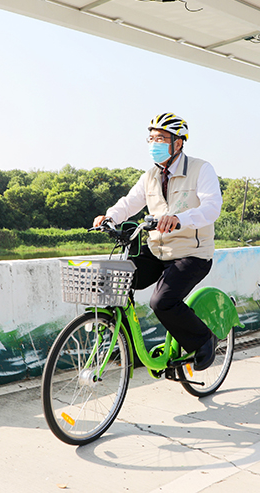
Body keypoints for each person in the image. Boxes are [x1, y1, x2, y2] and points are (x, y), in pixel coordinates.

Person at [94, 113, 221, 370]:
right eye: (151, 139)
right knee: (114, 282)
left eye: (161, 138)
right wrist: (109, 216)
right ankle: (126, 347)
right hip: (157, 250)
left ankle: (204, 339)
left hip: (191, 252)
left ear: (179, 143)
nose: (155, 144)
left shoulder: (201, 169)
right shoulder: (150, 175)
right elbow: (130, 202)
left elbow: (211, 208)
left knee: (161, 302)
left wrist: (178, 219)